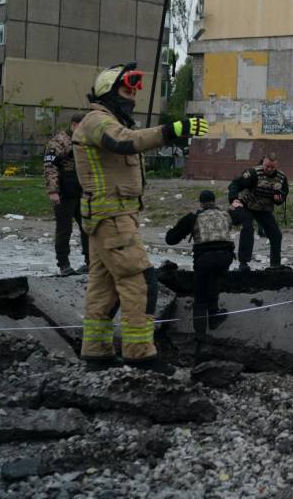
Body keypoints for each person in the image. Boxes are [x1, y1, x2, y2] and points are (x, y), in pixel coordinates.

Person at [72, 62, 209, 372]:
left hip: (110, 217)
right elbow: (125, 141)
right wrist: (173, 130)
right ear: (108, 91)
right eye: (126, 90)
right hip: (112, 217)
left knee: (103, 288)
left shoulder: (104, 120)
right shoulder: (97, 121)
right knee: (140, 280)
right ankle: (140, 354)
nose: (131, 97)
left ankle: (96, 353)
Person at [165, 190, 234, 350]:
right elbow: (240, 218)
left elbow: (171, 239)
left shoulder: (194, 217)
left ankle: (200, 337)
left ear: (201, 203)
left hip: (204, 259)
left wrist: (177, 229)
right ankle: (215, 317)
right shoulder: (225, 215)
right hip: (226, 257)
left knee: (200, 295)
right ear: (214, 201)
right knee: (214, 281)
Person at [44, 112, 90, 276]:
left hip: (82, 192)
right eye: (83, 126)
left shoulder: (85, 142)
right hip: (64, 193)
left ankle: (90, 262)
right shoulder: (59, 142)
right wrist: (53, 191)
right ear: (74, 125)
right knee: (64, 229)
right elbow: (50, 167)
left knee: (87, 227)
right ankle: (64, 264)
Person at [228, 154, 289, 271]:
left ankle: (275, 265)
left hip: (263, 209)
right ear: (263, 163)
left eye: (272, 167)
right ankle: (243, 263)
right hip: (247, 206)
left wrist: (279, 199)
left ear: (276, 165)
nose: (269, 170)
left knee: (276, 234)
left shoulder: (281, 177)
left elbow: (284, 194)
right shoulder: (253, 173)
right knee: (248, 228)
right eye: (267, 166)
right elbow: (235, 184)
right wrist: (234, 199)